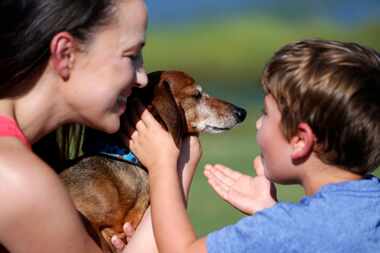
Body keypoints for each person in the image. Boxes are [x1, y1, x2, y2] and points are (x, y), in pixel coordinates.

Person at [126, 39, 380, 252]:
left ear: (300, 141)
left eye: (266, 114)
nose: (258, 124)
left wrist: (163, 165)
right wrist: (272, 210)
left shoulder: (281, 229)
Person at [0, 0, 199, 252]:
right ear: (65, 54)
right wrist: (173, 170)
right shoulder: (18, 179)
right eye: (131, 55)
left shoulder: (26, 160)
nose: (141, 78)